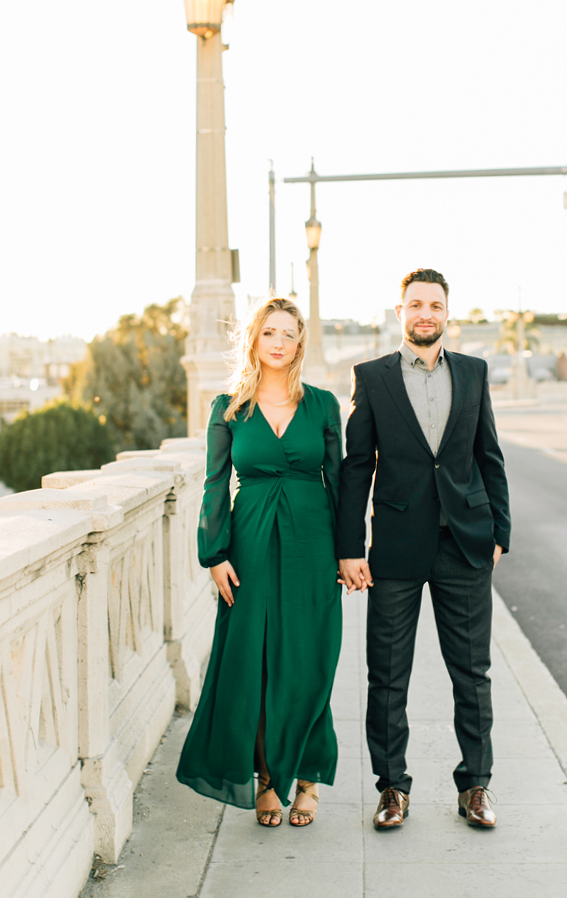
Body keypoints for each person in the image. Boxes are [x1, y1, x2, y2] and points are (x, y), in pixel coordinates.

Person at [336, 268, 511, 830]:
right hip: (396, 546)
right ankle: (392, 789)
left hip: (465, 543)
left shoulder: (474, 373)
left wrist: (501, 530)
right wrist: (350, 546)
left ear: (447, 313)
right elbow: (357, 465)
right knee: (387, 675)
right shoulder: (373, 377)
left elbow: (490, 455)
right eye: (415, 305)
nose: (425, 314)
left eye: (435, 305)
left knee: (472, 673)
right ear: (399, 313)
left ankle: (476, 787)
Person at [176, 296, 343, 828]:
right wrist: (214, 554)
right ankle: (268, 777)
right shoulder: (228, 407)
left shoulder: (322, 405)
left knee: (309, 659)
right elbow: (214, 483)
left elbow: (339, 482)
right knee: (257, 661)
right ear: (254, 339)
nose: (278, 342)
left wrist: (349, 551)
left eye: (288, 334)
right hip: (248, 545)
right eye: (269, 332)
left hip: (312, 544)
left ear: (299, 343)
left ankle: (309, 777)